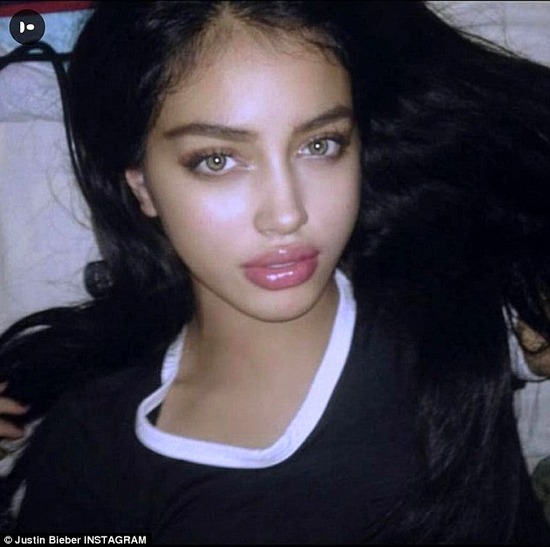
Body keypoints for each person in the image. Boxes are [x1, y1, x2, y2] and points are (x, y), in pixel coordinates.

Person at [1, 0, 550, 542]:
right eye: (217, 160)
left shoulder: (456, 308)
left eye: (320, 145)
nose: (287, 214)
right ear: (141, 185)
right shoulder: (96, 446)